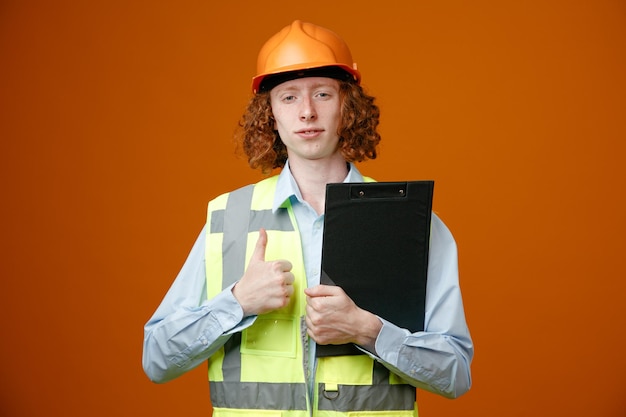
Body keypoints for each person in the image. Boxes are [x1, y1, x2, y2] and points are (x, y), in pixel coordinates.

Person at [143, 20, 473, 416]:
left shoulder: (407, 219)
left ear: (347, 107)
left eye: (322, 94)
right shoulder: (228, 218)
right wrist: (237, 304)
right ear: (270, 116)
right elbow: (157, 360)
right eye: (288, 98)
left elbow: (455, 375)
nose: (307, 112)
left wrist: (367, 331)